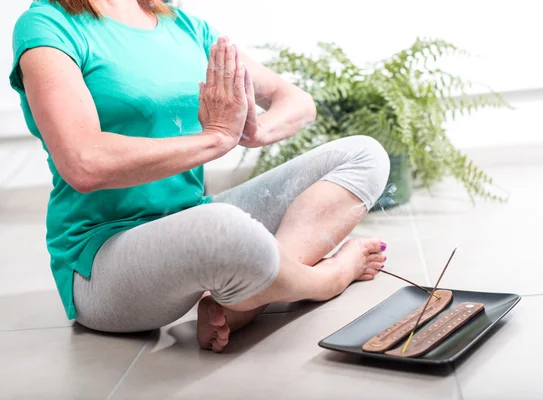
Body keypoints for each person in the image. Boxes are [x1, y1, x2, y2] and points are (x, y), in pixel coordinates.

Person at [10, 0, 390, 353]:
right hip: (102, 261)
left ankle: (248, 297)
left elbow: (297, 102)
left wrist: (253, 131)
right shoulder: (47, 26)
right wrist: (216, 139)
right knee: (224, 228)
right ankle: (328, 278)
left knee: (363, 154)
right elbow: (84, 163)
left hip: (192, 220)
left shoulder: (182, 24)